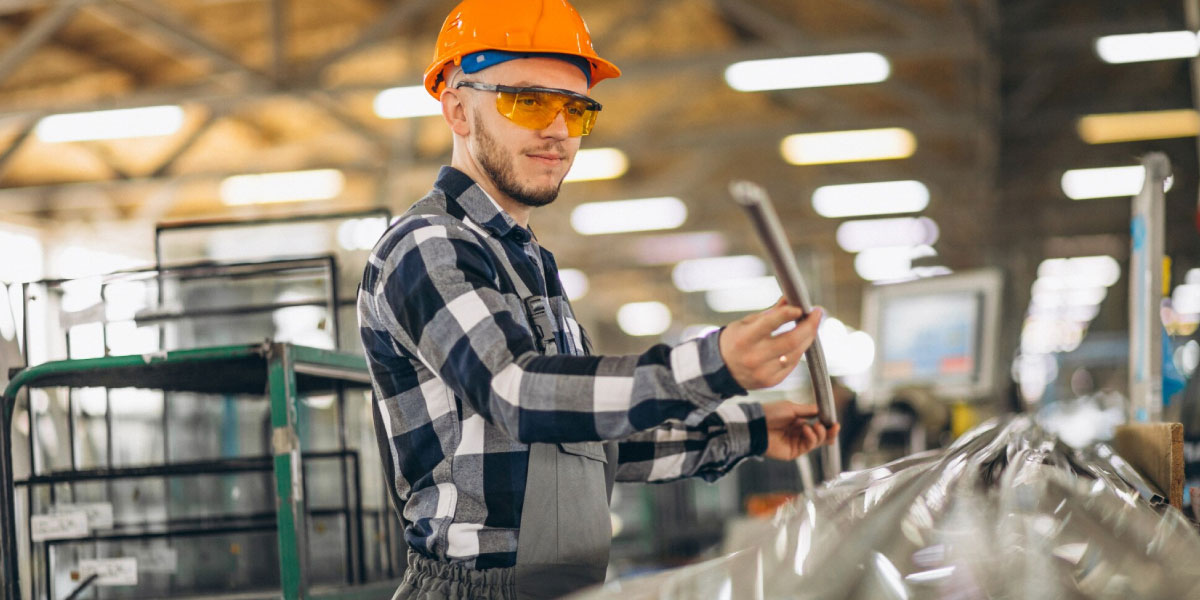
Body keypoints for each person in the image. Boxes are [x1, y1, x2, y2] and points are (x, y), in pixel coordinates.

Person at [357, 1, 838, 598]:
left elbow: (585, 446)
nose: (557, 129)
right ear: (457, 107)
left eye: (575, 108)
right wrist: (712, 366)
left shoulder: (527, 261)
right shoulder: (428, 247)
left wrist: (749, 430)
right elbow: (518, 393)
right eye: (527, 101)